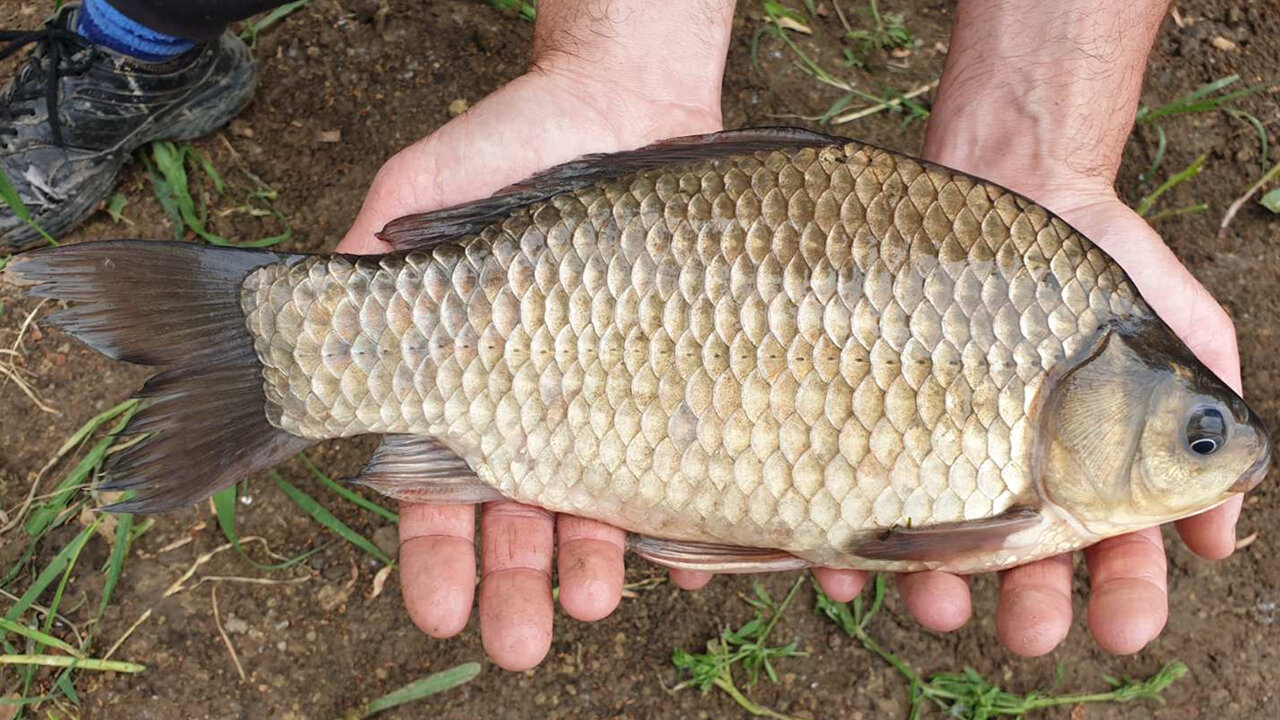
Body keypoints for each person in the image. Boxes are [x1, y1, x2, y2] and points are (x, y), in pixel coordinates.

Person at [1, 0, 1248, 671]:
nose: (1216, 452)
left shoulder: (1049, 289)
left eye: (1197, 439)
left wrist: (1051, 146)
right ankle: (143, 41)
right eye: (1199, 434)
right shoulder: (1042, 346)